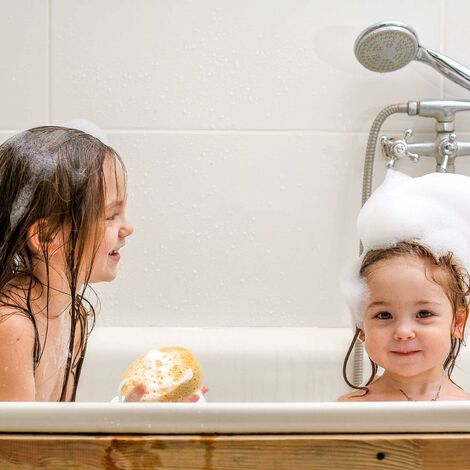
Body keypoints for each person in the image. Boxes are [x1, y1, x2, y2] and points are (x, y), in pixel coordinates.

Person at [0, 126, 134, 401]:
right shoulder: (13, 326)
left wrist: (128, 410)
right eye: (111, 216)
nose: (127, 228)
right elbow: (16, 443)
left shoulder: (74, 315)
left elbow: (58, 427)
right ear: (47, 237)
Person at [338, 169, 470, 401]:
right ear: (361, 328)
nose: (403, 332)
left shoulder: (463, 410)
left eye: (424, 313)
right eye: (384, 315)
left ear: (458, 323)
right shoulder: (351, 410)